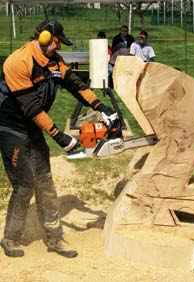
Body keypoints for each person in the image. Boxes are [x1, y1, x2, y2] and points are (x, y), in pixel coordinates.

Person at [0, 19, 120, 258]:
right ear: (44, 38)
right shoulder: (18, 62)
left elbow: (75, 85)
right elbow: (31, 108)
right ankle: (10, 238)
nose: (57, 47)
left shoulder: (55, 62)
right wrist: (61, 137)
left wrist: (102, 106)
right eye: (55, 42)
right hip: (10, 127)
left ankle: (55, 238)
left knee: (45, 182)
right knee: (25, 185)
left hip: (33, 127)